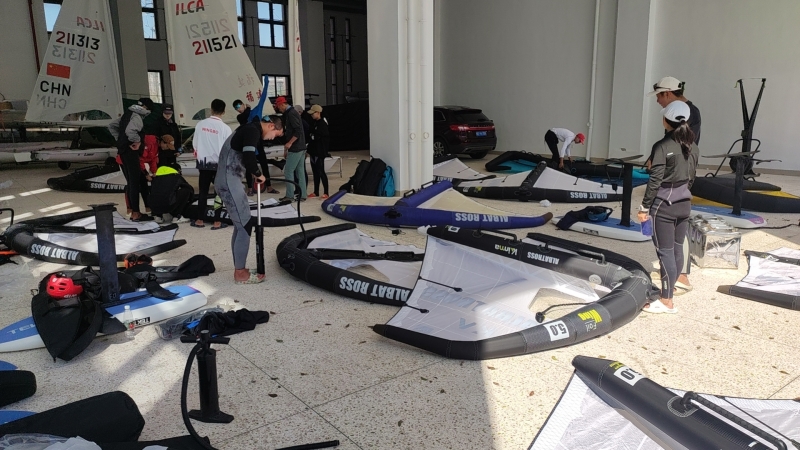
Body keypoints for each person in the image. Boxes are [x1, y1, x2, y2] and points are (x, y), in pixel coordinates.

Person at [637, 101, 698, 314]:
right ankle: (670, 289)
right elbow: (691, 178)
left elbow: (655, 180)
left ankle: (666, 300)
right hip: (684, 204)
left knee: (665, 253)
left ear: (665, 121)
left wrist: (644, 207)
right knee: (677, 248)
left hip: (663, 205)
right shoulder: (693, 146)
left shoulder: (662, 146)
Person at [647, 76, 702, 292]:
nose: (657, 101)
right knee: (675, 243)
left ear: (667, 93)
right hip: (680, 188)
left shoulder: (688, 113)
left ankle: (677, 283)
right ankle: (676, 277)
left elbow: (682, 149)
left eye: (659, 96)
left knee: (669, 247)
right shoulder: (681, 116)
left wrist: (645, 206)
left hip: (673, 188)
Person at [215, 114, 284, 284]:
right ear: (271, 126)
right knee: (245, 225)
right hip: (229, 182)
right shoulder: (253, 130)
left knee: (240, 225)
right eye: (275, 135)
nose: (273, 139)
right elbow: (249, 156)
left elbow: (246, 156)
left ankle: (240, 268)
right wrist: (259, 174)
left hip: (228, 180)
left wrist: (253, 173)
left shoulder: (248, 128)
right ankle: (240, 274)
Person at [108, 98, 154, 221]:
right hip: (131, 152)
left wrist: (120, 140)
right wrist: (136, 141)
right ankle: (135, 213)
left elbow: (111, 126)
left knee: (135, 181)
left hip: (123, 151)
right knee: (134, 183)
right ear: (146, 108)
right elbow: (130, 131)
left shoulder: (127, 114)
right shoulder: (137, 116)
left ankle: (139, 210)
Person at [192, 99, 230, 230]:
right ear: (223, 112)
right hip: (219, 164)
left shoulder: (200, 125)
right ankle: (217, 221)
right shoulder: (225, 128)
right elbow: (228, 148)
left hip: (204, 164)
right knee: (218, 193)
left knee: (203, 191)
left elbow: (195, 144)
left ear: (211, 109)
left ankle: (199, 220)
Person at [233, 99, 280, 196]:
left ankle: (269, 186)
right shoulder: (240, 116)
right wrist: (247, 108)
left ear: (242, 104)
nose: (238, 109)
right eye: (236, 108)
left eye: (239, 106)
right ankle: (250, 188)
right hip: (249, 143)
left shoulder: (254, 113)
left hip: (258, 143)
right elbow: (245, 116)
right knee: (249, 166)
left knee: (264, 165)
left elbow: (261, 101)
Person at [274, 96, 308, 201]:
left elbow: (298, 131)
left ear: (282, 104)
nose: (278, 109)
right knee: (300, 172)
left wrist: (289, 143)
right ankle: (302, 195)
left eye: (278, 107)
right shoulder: (292, 112)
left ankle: (289, 195)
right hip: (301, 146)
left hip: (296, 147)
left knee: (288, 171)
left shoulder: (291, 113)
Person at [306, 104, 330, 199]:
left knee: (321, 171)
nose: (312, 115)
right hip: (313, 151)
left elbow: (320, 137)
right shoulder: (314, 123)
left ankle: (326, 192)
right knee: (315, 172)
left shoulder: (322, 124)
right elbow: (312, 136)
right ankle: (316, 191)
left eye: (313, 113)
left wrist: (314, 136)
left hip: (319, 152)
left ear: (318, 113)